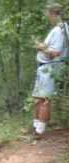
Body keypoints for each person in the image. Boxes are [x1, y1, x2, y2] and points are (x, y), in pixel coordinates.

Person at [33, 3, 69, 136]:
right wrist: (41, 45)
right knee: (38, 98)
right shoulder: (58, 29)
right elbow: (52, 47)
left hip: (50, 67)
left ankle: (39, 132)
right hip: (44, 67)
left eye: (47, 13)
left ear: (54, 13)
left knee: (44, 99)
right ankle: (35, 127)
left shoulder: (60, 30)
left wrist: (41, 48)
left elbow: (56, 53)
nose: (46, 16)